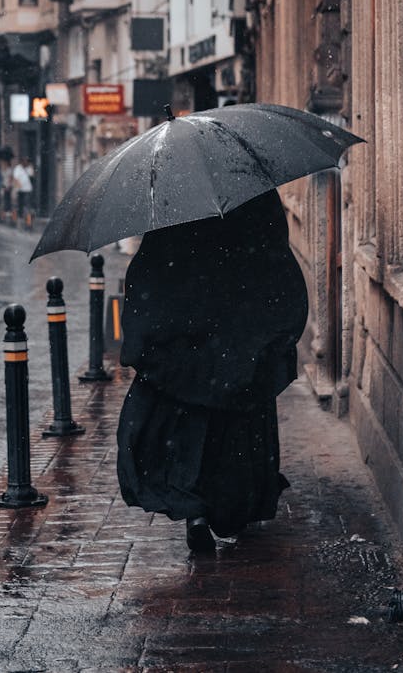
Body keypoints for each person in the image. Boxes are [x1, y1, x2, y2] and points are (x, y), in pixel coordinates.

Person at [116, 189, 308, 553]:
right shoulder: (254, 192)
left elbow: (153, 267)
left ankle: (196, 511)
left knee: (191, 430)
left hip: (191, 338)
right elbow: (275, 259)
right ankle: (228, 503)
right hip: (239, 336)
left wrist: (152, 331)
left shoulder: (177, 198)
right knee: (234, 434)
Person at [11, 157, 34, 229]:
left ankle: (28, 223)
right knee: (19, 206)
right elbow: (16, 179)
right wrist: (17, 187)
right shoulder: (18, 168)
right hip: (20, 191)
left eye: (27, 162)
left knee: (27, 206)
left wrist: (31, 167)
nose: (26, 163)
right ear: (22, 162)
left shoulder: (29, 168)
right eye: (25, 161)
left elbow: (32, 175)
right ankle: (18, 221)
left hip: (27, 190)